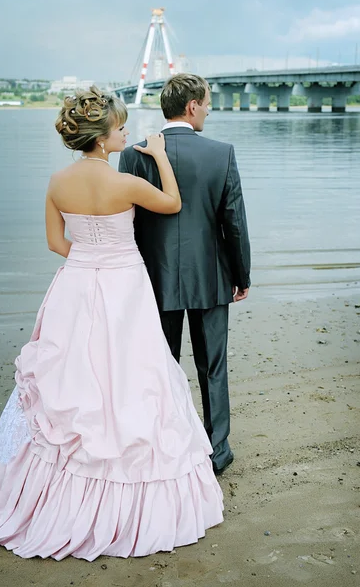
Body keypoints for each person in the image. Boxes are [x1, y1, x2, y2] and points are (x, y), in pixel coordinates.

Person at [0, 86, 223, 561]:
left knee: (72, 376)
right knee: (132, 374)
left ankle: (50, 489)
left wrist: (91, 261)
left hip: (75, 284)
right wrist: (158, 155)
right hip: (124, 285)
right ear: (101, 140)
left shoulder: (56, 181)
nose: (126, 134)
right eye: (120, 129)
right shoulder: (126, 184)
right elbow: (173, 203)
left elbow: (57, 243)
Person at [119, 74, 251, 475]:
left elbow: (130, 223)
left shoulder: (134, 155)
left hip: (153, 280)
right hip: (210, 277)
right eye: (207, 103)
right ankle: (218, 451)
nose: (209, 109)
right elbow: (234, 223)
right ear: (192, 106)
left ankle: (162, 443)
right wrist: (241, 274)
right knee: (212, 365)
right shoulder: (221, 153)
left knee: (160, 364)